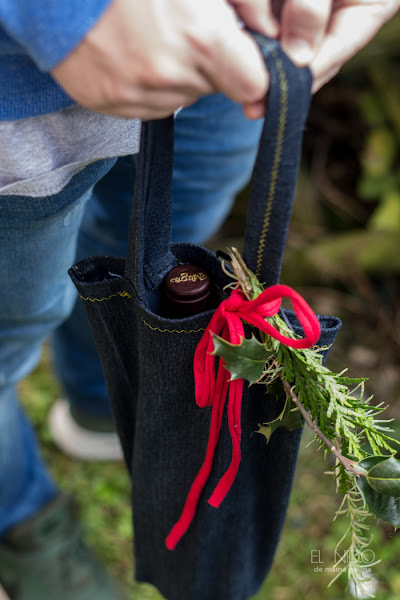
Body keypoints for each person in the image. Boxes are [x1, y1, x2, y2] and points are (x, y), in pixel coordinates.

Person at [0, 1, 399, 599]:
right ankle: (20, 517)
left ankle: (104, 405)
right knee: (7, 335)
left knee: (155, 267)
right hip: (28, 103)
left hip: (235, 61)